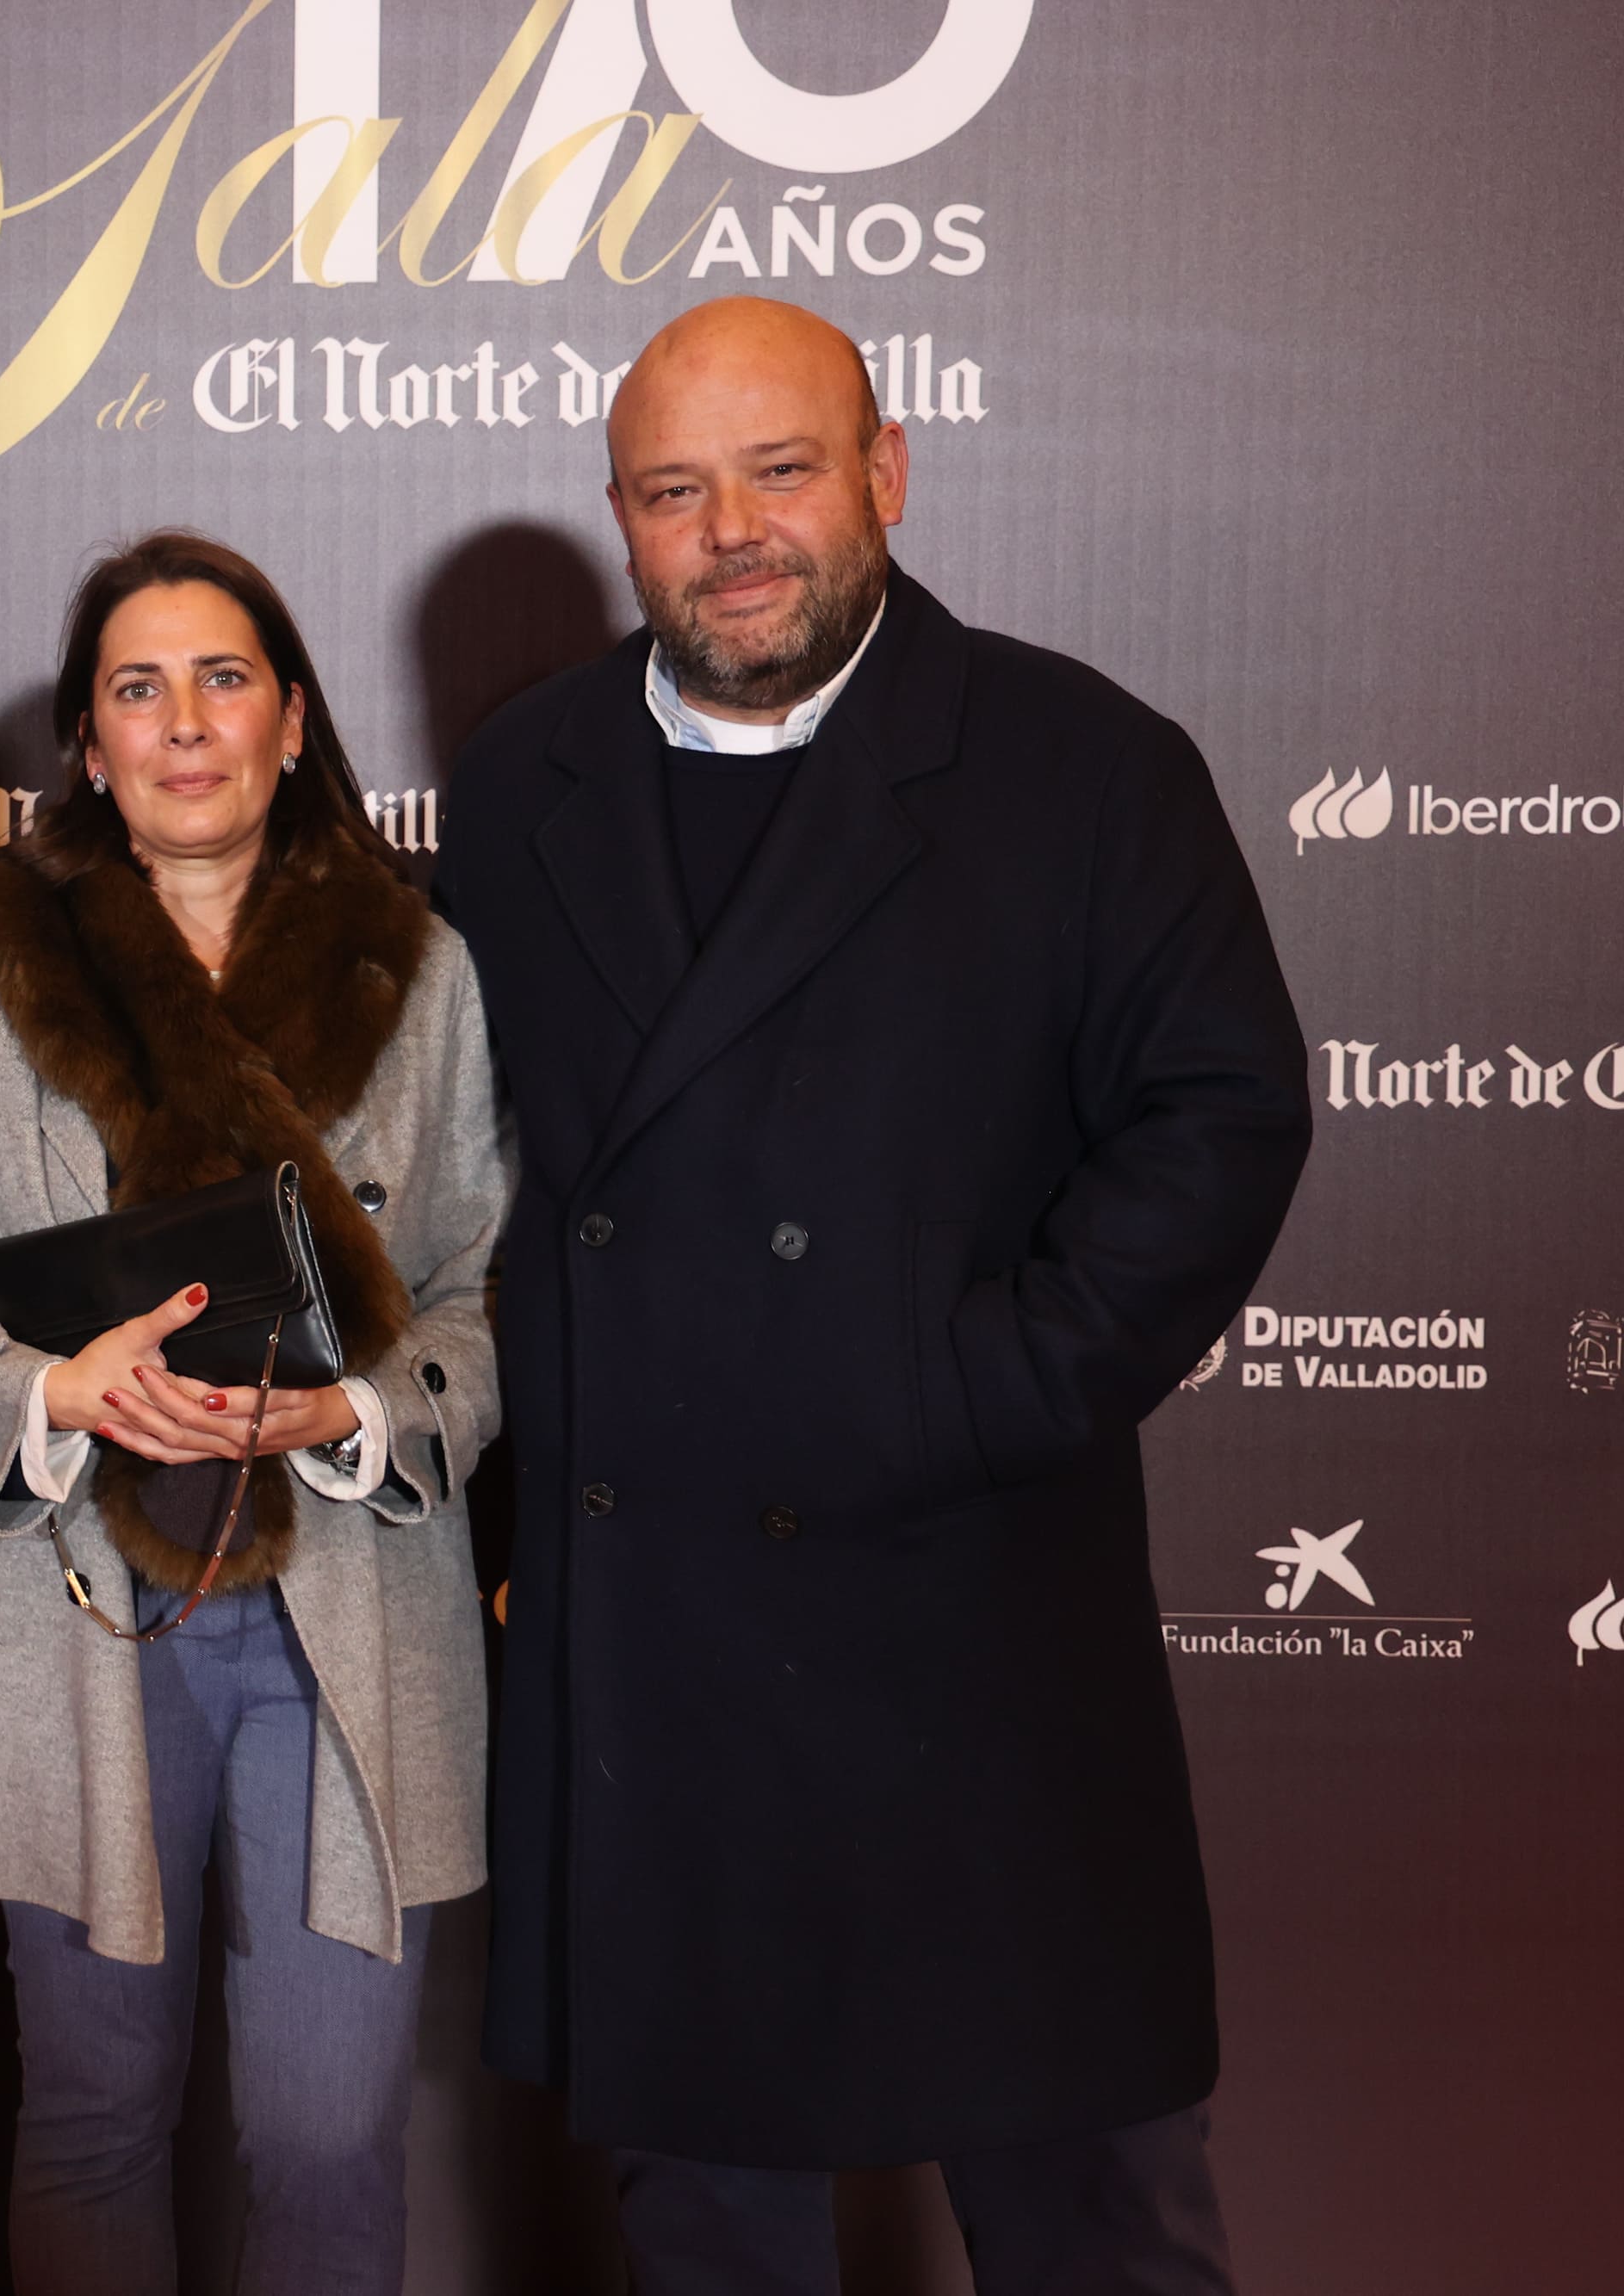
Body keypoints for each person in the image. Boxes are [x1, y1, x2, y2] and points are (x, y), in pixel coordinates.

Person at [437, 295, 1311, 2294]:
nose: (728, 530)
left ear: (884, 474)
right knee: (712, 2227)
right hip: (652, 1641)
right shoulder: (521, 781)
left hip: (977, 1606)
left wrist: (971, 1388)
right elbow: (468, 1162)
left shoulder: (1079, 762)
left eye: (778, 470)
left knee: (1095, 2215)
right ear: (618, 521)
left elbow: (1218, 1115)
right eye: (673, 489)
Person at [0, 531, 508, 2296]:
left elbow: (484, 1290)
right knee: (93, 2112)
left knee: (325, 2126)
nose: (181, 721)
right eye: (137, 686)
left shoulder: (420, 974)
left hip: (338, 1610)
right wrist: (55, 1384)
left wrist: (354, 1408)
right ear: (85, 740)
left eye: (222, 680)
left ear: (290, 721)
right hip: (73, 1612)